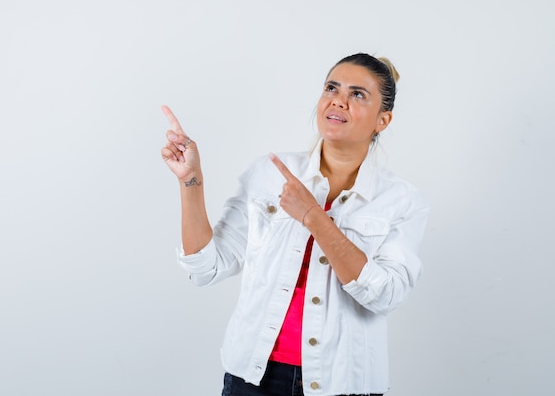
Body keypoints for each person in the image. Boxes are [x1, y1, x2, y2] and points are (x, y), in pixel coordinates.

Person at [160, 53, 429, 396]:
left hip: (343, 383)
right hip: (252, 379)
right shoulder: (268, 173)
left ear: (383, 120)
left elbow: (385, 295)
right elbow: (207, 268)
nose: (338, 100)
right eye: (332, 87)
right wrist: (190, 180)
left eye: (358, 94)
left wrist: (315, 217)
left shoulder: (402, 200)